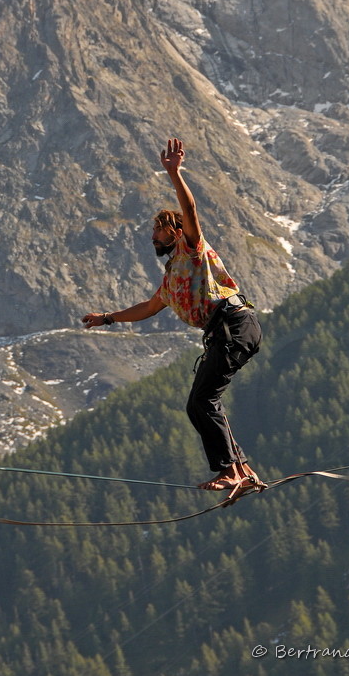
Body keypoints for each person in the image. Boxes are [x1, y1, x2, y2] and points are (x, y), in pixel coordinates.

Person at [82, 137, 263, 494]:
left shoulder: (191, 248)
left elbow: (191, 212)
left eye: (158, 229)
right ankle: (242, 471)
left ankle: (230, 471)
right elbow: (148, 308)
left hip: (234, 325)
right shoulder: (171, 279)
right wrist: (107, 318)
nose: (152, 235)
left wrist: (174, 173)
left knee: (201, 401)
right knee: (200, 402)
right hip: (226, 332)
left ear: (174, 232)